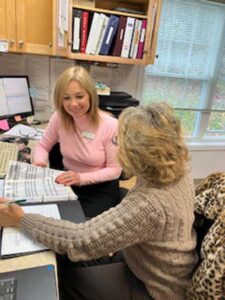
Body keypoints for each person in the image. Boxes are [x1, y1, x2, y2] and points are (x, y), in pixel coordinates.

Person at [0, 103, 197, 300]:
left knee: (61, 280)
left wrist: (21, 219)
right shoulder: (177, 171)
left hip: (156, 288)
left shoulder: (150, 203)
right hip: (156, 264)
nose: (116, 145)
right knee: (67, 256)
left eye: (118, 141)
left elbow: (78, 240)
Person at [33, 66, 122, 218]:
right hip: (68, 182)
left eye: (79, 96)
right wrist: (39, 162)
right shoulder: (59, 117)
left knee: (78, 228)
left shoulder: (111, 125)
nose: (73, 104)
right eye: (66, 98)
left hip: (99, 188)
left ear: (90, 96)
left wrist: (81, 178)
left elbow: (115, 170)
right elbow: (42, 146)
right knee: (46, 217)